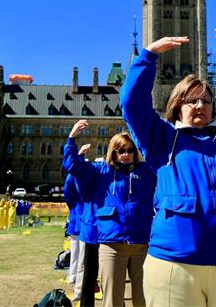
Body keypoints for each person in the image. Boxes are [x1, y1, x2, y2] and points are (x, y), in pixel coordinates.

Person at [120, 29, 216, 307]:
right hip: (174, 265)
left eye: (205, 100)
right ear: (175, 107)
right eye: (191, 100)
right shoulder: (162, 139)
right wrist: (148, 57)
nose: (200, 105)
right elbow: (132, 105)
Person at [63, 122, 156, 307]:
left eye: (130, 150)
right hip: (112, 244)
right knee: (112, 299)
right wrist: (72, 138)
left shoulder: (145, 171)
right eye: (121, 151)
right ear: (113, 152)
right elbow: (73, 166)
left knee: (144, 297)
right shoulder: (101, 171)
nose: (126, 155)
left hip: (142, 243)